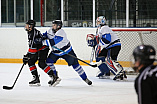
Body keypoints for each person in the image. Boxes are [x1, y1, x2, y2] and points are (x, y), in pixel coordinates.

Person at [42, 20, 92, 85]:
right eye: (52, 25)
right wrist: (41, 37)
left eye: (54, 25)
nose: (52, 26)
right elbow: (44, 35)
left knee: (76, 66)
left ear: (58, 26)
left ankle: (85, 79)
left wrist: (40, 41)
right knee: (48, 62)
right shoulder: (50, 30)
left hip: (67, 52)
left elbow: (52, 42)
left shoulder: (61, 32)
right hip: (55, 52)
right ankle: (54, 77)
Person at [86, 16, 127, 80]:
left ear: (102, 22)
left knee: (110, 59)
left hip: (114, 45)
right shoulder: (100, 28)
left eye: (98, 21)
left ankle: (120, 72)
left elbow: (107, 40)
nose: (97, 22)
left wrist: (98, 41)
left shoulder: (104, 28)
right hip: (109, 46)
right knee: (100, 57)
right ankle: (105, 71)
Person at [23, 20, 61, 87]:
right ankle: (36, 79)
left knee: (41, 63)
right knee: (30, 61)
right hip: (38, 49)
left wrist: (28, 55)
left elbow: (33, 48)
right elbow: (32, 46)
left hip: (43, 49)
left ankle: (54, 77)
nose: (25, 26)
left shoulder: (33, 33)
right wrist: (28, 55)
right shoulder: (30, 32)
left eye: (27, 25)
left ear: (30, 26)